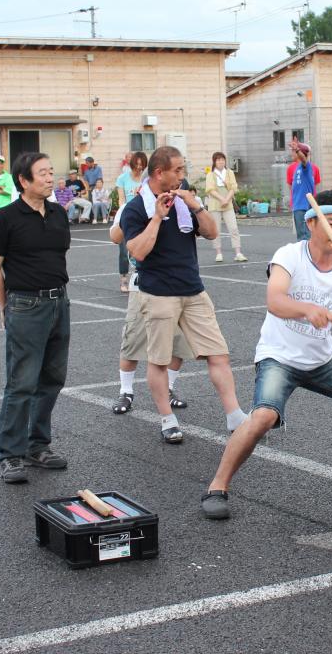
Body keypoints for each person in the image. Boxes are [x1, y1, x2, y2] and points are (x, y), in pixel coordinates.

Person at [200, 190, 332, 520]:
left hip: (324, 360)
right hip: (279, 358)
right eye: (331, 224)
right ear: (311, 223)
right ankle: (217, 486)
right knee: (263, 418)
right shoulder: (290, 255)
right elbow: (275, 300)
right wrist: (306, 309)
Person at [122, 146, 247, 444]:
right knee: (159, 360)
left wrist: (196, 206)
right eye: (177, 170)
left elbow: (213, 233)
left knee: (218, 354)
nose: (182, 175)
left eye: (183, 169)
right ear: (158, 173)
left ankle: (235, 416)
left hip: (193, 289)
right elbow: (137, 251)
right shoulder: (136, 208)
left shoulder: (184, 199)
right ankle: (167, 419)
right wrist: (156, 218)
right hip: (158, 294)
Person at [0, 152, 73, 484]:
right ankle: (11, 454)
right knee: (21, 383)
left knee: (52, 379)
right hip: (24, 304)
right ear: (23, 180)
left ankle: (38, 446)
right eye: (43, 173)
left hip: (59, 302)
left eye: (52, 171)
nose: (51, 178)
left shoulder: (58, 213)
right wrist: (4, 306)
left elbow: (57, 259)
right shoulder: (6, 217)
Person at [108, 190, 192, 415]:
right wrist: (137, 213)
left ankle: (169, 388)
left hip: (176, 281)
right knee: (134, 336)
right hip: (143, 280)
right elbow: (115, 237)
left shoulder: (179, 204)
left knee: (178, 339)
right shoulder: (134, 206)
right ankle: (126, 391)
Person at [205, 152, 247, 262]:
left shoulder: (229, 173)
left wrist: (227, 199)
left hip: (227, 203)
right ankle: (218, 253)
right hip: (215, 203)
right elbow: (210, 189)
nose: (221, 162)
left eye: (222, 159)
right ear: (214, 161)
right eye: (218, 160)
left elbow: (234, 187)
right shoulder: (210, 174)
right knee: (216, 229)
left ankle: (238, 253)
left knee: (233, 228)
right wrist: (221, 199)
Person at [115, 151, 146, 292]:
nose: (139, 167)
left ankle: (142, 276)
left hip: (144, 217)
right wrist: (123, 212)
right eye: (137, 164)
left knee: (143, 248)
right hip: (128, 215)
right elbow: (121, 198)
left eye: (142, 165)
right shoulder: (123, 178)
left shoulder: (146, 179)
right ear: (131, 164)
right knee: (123, 249)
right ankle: (123, 278)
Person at [288, 142, 318, 241]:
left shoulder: (306, 166)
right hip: (298, 205)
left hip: (304, 206)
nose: (291, 153)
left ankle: (308, 256)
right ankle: (304, 255)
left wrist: (297, 150)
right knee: (301, 235)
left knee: (305, 236)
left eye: (293, 151)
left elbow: (304, 160)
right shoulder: (296, 168)